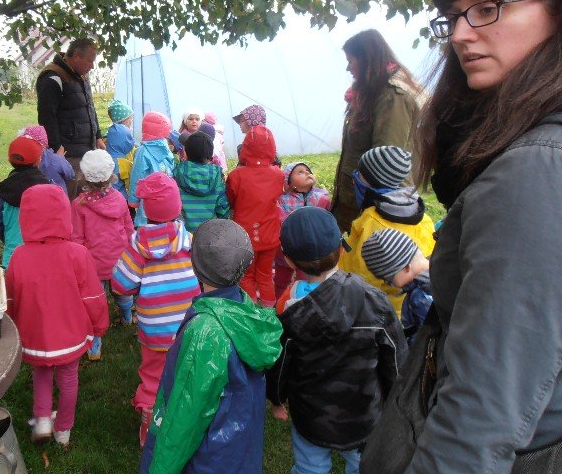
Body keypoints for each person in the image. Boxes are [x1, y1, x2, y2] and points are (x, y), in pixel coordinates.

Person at [403, 0, 562, 473]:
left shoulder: (533, 171)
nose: (460, 34)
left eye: (489, 7)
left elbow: (480, 413)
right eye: (454, 16)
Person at [268, 207, 406, 474]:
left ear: (290, 261)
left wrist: (276, 397)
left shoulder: (288, 308)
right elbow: (396, 356)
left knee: (310, 467)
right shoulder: (375, 300)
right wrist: (395, 401)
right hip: (364, 415)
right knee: (361, 466)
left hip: (311, 416)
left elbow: (279, 362)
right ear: (342, 249)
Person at [140, 219, 283, 473]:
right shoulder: (244, 307)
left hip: (207, 461)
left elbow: (185, 416)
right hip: (239, 454)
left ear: (196, 266)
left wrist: (159, 468)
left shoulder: (205, 334)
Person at [5, 184, 109, 447]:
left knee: (41, 373)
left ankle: (42, 419)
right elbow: (93, 297)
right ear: (64, 215)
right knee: (68, 379)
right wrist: (99, 326)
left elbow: (10, 298)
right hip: (71, 335)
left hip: (35, 336)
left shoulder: (19, 256)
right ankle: (63, 429)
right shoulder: (77, 254)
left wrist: (11, 326)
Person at [111, 172, 201, 447]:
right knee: (187, 371)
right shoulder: (189, 240)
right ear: (177, 206)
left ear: (146, 211)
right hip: (188, 325)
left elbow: (121, 284)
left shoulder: (138, 245)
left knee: (153, 376)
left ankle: (150, 425)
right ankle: (186, 421)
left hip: (155, 328)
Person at [331, 30, 424, 233]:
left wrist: (373, 216)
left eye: (351, 61)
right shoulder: (369, 92)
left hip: (375, 207)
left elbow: (386, 162)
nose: (348, 68)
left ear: (367, 59)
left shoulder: (393, 96)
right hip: (359, 202)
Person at [338, 146, 435, 316]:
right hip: (405, 310)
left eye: (360, 174)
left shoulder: (371, 223)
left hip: (374, 311)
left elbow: (362, 278)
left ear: (372, 181)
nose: (354, 179)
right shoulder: (423, 217)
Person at [71, 149, 135, 359]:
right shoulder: (120, 199)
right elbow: (129, 228)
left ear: (84, 176)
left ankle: (95, 343)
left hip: (92, 265)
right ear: (111, 175)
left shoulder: (79, 205)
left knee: (94, 302)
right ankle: (127, 316)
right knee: (123, 292)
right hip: (119, 260)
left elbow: (76, 238)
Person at [35, 38, 105, 199]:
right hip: (67, 154)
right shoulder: (53, 77)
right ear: (76, 56)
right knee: (70, 197)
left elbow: (90, 107)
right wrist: (56, 147)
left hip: (85, 150)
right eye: (90, 61)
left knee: (84, 200)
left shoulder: (81, 76)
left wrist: (97, 136)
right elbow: (46, 117)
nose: (92, 66)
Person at [226, 125, 282, 307]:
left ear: (246, 147)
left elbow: (231, 200)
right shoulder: (278, 174)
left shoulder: (236, 175)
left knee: (246, 275)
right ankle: (269, 312)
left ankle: (251, 314)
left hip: (245, 235)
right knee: (265, 275)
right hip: (270, 234)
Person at [361, 229, 432, 345]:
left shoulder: (421, 297)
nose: (388, 283)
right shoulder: (436, 268)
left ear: (406, 267)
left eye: (388, 279)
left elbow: (426, 339)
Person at [273, 162, 331, 298]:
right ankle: (279, 301)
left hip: (309, 248)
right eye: (300, 172)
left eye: (308, 171)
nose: (306, 173)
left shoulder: (321, 197)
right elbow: (281, 220)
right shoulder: (283, 200)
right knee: (282, 278)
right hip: (287, 247)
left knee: (304, 277)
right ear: (289, 182)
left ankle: (302, 301)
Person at [0, 136, 50, 269]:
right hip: (42, 258)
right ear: (38, 161)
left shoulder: (5, 192)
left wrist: (9, 239)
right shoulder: (48, 189)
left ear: (9, 160)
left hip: (13, 258)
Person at [172, 131, 230, 233]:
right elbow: (223, 207)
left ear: (186, 153)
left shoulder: (177, 173)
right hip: (210, 233)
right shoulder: (216, 177)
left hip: (183, 234)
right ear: (209, 155)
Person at [127, 112, 175, 226]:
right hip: (166, 194)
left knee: (147, 221)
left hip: (149, 196)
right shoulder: (166, 148)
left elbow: (137, 176)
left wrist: (133, 201)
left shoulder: (142, 151)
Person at [18, 124, 74, 192]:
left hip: (31, 196)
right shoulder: (56, 160)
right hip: (57, 196)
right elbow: (70, 175)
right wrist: (61, 159)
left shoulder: (22, 161)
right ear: (45, 143)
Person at [104, 99, 136, 200]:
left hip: (107, 196)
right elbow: (129, 183)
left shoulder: (112, 131)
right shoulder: (121, 162)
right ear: (124, 119)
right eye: (130, 118)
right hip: (121, 199)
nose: (131, 120)